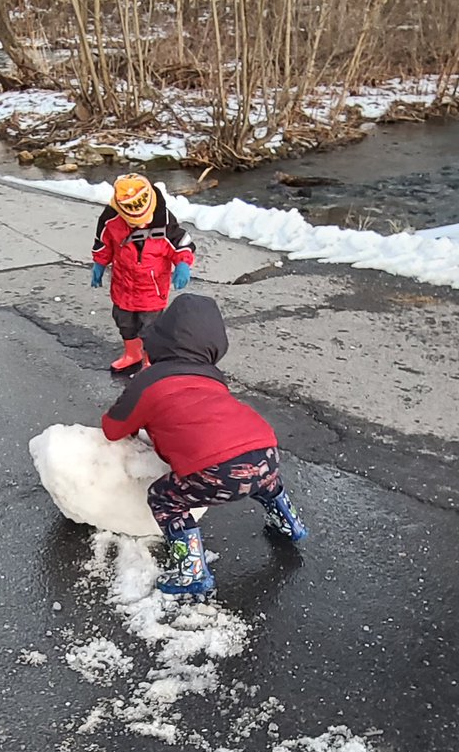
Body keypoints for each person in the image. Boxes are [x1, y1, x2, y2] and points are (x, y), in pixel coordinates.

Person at [101, 294, 307, 597]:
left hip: (216, 470)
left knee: (165, 499)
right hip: (266, 451)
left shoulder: (149, 380)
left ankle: (191, 571)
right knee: (263, 481)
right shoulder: (212, 378)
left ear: (161, 338)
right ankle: (290, 523)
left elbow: (113, 428)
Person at [91, 174, 196, 375]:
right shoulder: (110, 220)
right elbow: (103, 243)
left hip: (151, 290)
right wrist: (99, 263)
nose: (139, 225)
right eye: (133, 222)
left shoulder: (164, 222)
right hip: (123, 285)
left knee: (150, 328)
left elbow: (181, 244)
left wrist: (183, 264)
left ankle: (149, 360)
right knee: (124, 322)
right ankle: (132, 354)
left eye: (143, 220)